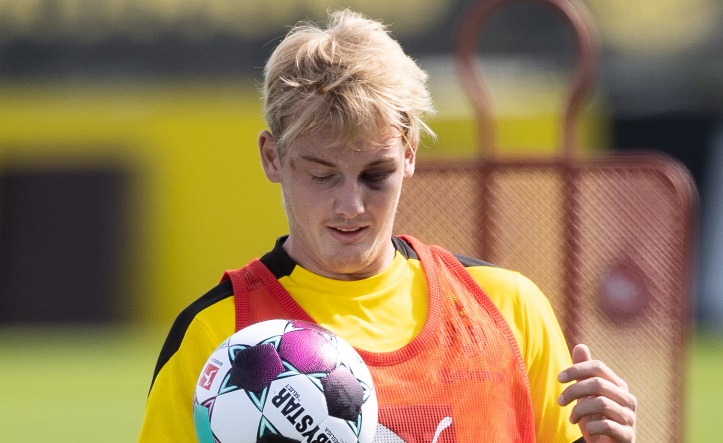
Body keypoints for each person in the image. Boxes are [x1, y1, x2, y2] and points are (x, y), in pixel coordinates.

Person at [139, 9, 636, 442]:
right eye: (322, 175)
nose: (350, 205)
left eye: (375, 175)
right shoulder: (217, 338)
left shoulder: (508, 308)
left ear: (410, 153)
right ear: (272, 157)